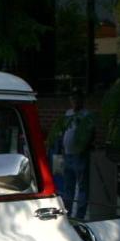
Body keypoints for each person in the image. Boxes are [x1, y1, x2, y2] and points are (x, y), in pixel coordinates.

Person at [50, 89, 95, 219]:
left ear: (82, 100)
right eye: (72, 99)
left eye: (77, 99)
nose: (74, 101)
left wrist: (83, 148)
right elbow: (64, 131)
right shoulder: (68, 114)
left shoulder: (86, 115)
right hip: (67, 155)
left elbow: (90, 134)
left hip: (79, 156)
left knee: (82, 187)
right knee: (67, 186)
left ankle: (80, 215)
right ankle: (67, 213)